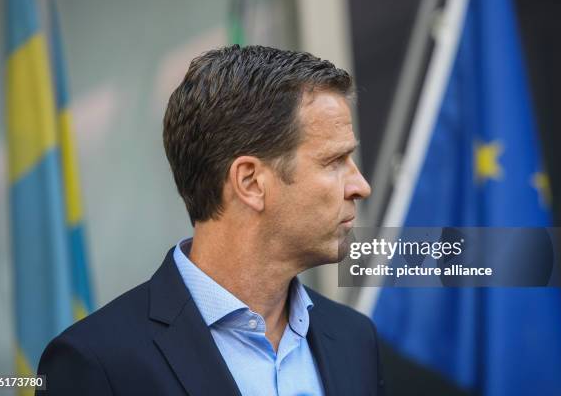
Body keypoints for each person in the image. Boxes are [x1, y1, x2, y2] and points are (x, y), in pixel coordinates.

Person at [37, 45, 465, 396]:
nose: (360, 185)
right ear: (250, 182)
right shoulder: (95, 363)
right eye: (335, 161)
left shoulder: (355, 339)